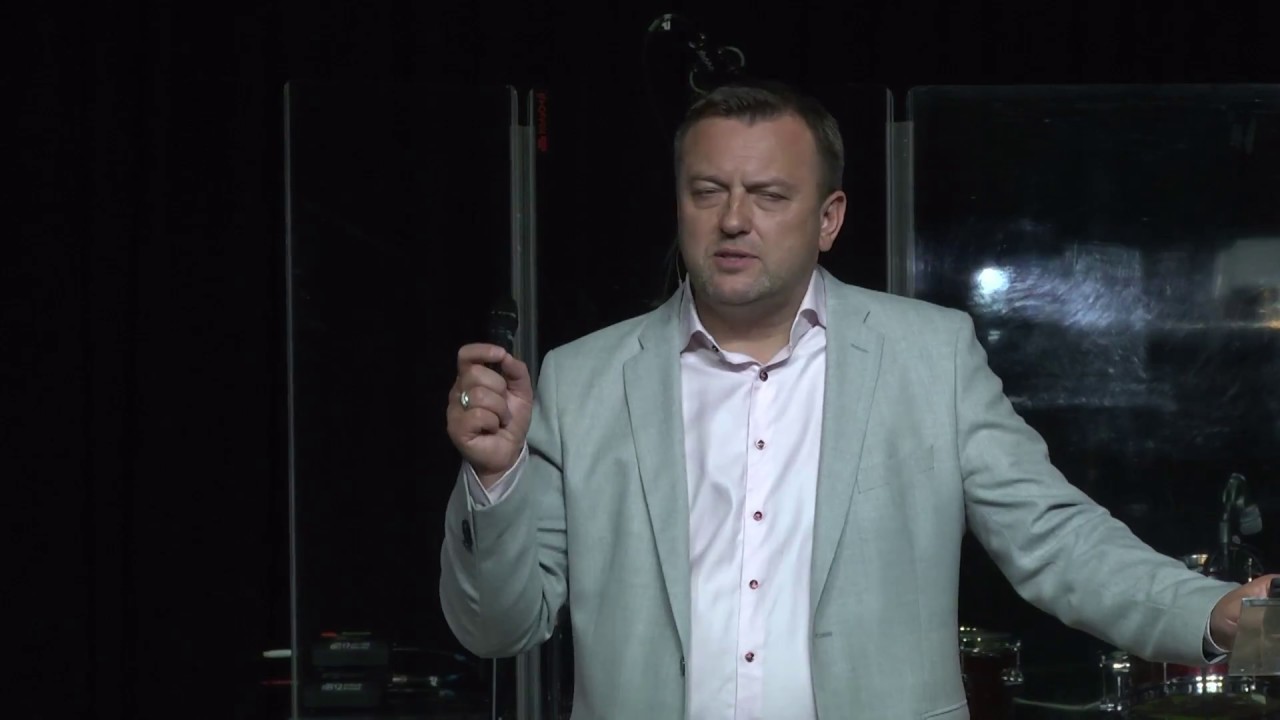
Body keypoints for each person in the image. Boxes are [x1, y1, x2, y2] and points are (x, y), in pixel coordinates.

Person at [439, 80, 1275, 719]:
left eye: (770, 195)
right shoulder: (583, 378)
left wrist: (1210, 612)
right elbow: (498, 627)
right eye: (708, 191)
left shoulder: (929, 356)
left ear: (829, 218)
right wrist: (495, 481)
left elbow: (1053, 538)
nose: (734, 220)